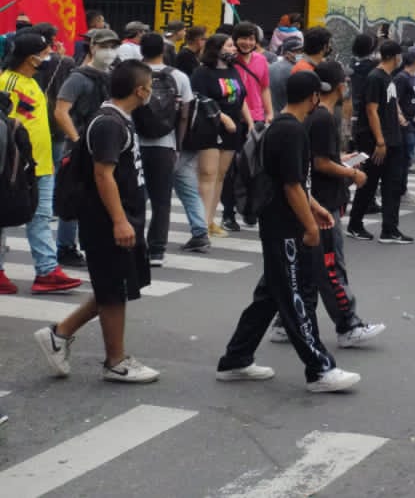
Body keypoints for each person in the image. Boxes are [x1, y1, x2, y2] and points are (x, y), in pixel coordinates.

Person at [213, 71, 360, 393]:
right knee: (296, 298)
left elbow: (290, 180)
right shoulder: (292, 131)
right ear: (313, 98)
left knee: (269, 295)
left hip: (279, 221)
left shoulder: (278, 127)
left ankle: (236, 358)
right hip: (285, 226)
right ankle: (320, 368)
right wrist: (309, 226)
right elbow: (291, 184)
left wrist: (316, 207)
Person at [33, 62, 159, 384]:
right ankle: (115, 361)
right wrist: (119, 221)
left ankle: (59, 335)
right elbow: (103, 175)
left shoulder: (118, 120)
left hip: (119, 217)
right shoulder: (108, 124)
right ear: (139, 90)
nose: (152, 91)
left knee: (112, 286)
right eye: (150, 86)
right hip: (105, 220)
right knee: (113, 289)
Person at [272, 60, 386, 349]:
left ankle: (287, 322)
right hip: (322, 201)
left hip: (316, 199)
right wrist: (352, 173)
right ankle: (347, 323)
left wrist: (343, 162)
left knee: (302, 268)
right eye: (344, 81)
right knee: (330, 266)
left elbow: (317, 159)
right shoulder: (321, 118)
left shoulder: (311, 117)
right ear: (338, 86)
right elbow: (319, 163)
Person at [0, 31, 82, 295]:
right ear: (30, 57)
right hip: (16, 166)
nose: (49, 56)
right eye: (45, 52)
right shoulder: (7, 82)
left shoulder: (32, 82)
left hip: (40, 164)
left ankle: (47, 271)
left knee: (41, 216)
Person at [53, 27, 123, 265]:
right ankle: (65, 246)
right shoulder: (78, 78)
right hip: (80, 146)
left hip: (107, 145)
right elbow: (61, 112)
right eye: (104, 46)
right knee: (74, 197)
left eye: (113, 47)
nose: (109, 52)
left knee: (102, 197)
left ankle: (96, 244)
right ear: (92, 47)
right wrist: (76, 141)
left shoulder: (114, 76)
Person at [133, 32, 193, 268]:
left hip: (134, 144)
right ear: (164, 51)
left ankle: (134, 245)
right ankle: (156, 250)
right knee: (161, 200)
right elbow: (184, 114)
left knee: (134, 197)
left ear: (141, 51)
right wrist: (178, 145)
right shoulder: (178, 77)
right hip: (164, 145)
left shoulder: (132, 74)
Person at [346, 41, 412, 245]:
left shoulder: (388, 78)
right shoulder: (375, 77)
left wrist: (398, 116)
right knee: (368, 183)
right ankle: (355, 224)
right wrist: (380, 141)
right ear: (395, 56)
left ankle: (390, 229)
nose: (401, 59)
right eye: (400, 55)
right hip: (376, 141)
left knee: (392, 186)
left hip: (393, 139)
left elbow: (389, 104)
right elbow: (371, 110)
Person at [187, 34, 247, 236]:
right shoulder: (202, 73)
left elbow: (241, 98)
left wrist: (250, 120)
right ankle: (201, 224)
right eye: (230, 45)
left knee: (220, 176)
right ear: (217, 48)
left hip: (232, 130)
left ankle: (210, 221)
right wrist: (222, 117)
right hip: (209, 127)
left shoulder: (234, 71)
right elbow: (199, 99)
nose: (234, 49)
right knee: (207, 174)